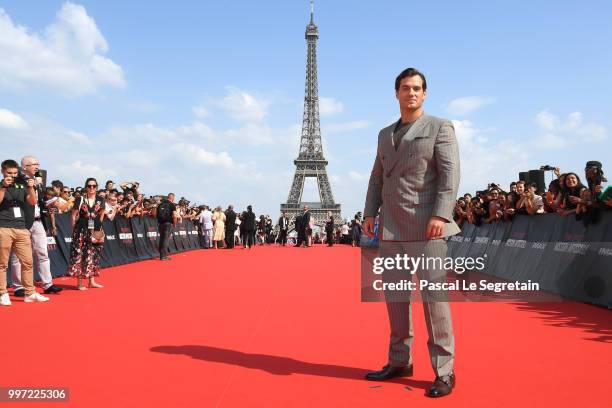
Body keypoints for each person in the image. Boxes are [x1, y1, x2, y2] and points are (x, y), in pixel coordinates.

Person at [363, 68, 460, 398]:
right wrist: (368, 213)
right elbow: (377, 177)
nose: (412, 93)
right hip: (390, 226)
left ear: (425, 93)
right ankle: (400, 360)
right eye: (406, 88)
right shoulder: (384, 134)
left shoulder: (439, 127)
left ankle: (444, 370)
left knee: (434, 301)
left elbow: (450, 176)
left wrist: (440, 214)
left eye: (417, 88)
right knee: (396, 298)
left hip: (426, 226)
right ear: (396, 93)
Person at [10, 156, 63, 296]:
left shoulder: (39, 182)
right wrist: (31, 185)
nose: (37, 166)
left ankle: (48, 284)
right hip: (22, 222)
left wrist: (50, 204)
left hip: (38, 221)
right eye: (34, 164)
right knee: (18, 256)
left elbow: (38, 202)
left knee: (43, 253)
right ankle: (18, 286)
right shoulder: (18, 181)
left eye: (38, 163)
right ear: (24, 167)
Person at [0, 159, 50, 305]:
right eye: (10, 173)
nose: (13, 176)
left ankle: (30, 292)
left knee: (27, 262)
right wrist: (3, 187)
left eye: (15, 173)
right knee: (2, 264)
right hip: (4, 227)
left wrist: (29, 188)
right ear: (3, 171)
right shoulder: (0, 185)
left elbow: (33, 202)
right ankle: (2, 293)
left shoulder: (21, 185)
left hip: (21, 228)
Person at [67, 177, 105, 290]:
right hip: (81, 231)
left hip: (95, 231)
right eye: (89, 186)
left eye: (94, 186)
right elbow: (73, 215)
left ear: (97, 187)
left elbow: (102, 214)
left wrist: (98, 226)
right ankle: (79, 283)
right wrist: (75, 229)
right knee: (80, 255)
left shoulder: (100, 199)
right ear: (86, 187)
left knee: (93, 255)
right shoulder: (80, 199)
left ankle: (91, 281)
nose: (91, 188)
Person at [156, 193, 177, 260]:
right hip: (168, 224)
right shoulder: (172, 205)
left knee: (161, 239)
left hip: (160, 224)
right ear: (172, 198)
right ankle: (163, 256)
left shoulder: (160, 204)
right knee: (165, 239)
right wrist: (174, 223)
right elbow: (174, 215)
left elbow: (155, 214)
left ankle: (161, 254)